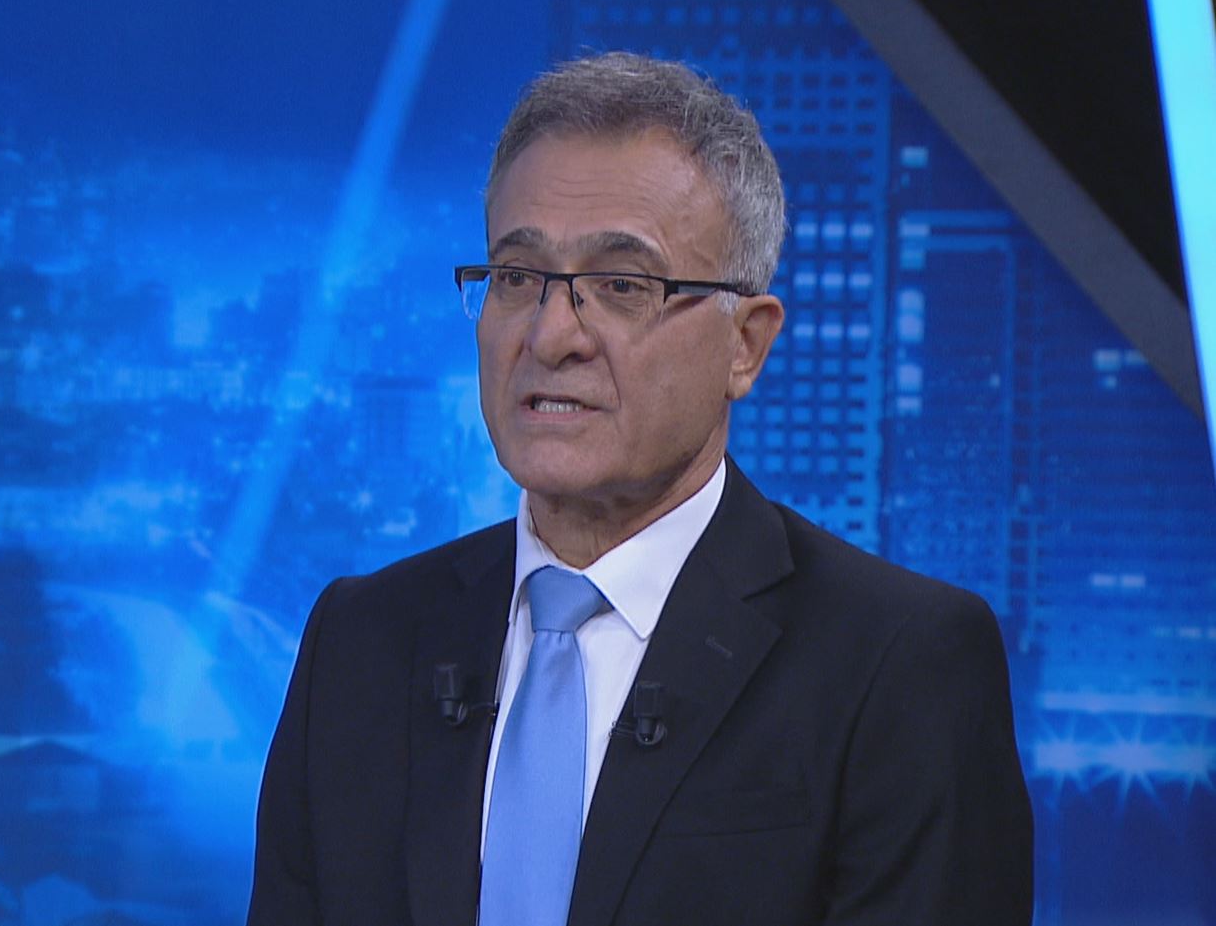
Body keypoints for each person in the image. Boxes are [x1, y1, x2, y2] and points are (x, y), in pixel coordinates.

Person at [248, 51, 1033, 926]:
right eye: (517, 278)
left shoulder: (900, 664)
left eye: (621, 286)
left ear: (746, 344)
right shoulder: (359, 643)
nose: (552, 335)